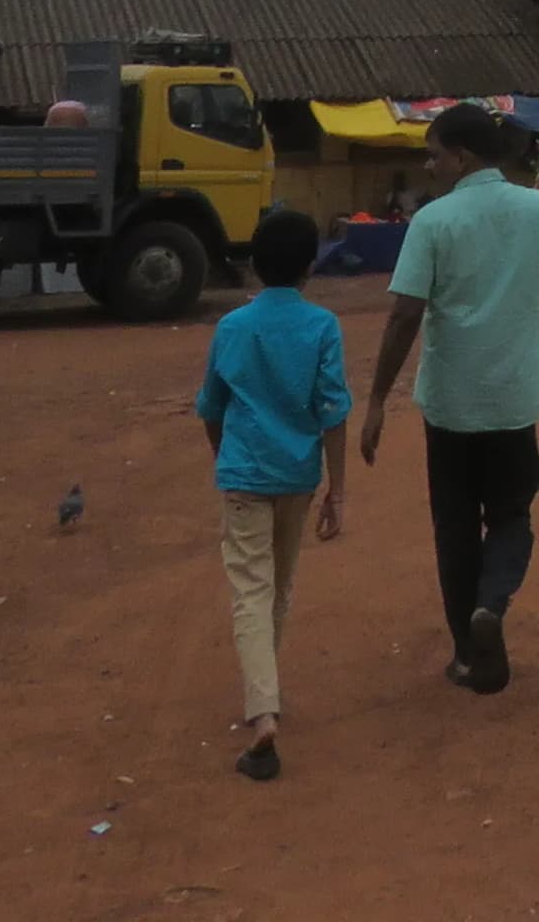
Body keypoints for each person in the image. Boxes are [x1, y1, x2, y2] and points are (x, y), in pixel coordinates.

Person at [362, 102, 539, 695]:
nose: (430, 166)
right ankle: (492, 604)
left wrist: (379, 398)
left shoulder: (434, 222)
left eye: (434, 154)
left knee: (455, 527)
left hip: (452, 405)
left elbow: (405, 313)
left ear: (461, 156)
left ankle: (470, 655)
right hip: (515, 398)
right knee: (511, 513)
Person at [191, 206, 349, 780]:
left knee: (251, 590)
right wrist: (339, 490)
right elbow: (333, 412)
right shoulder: (322, 327)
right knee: (279, 586)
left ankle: (263, 709)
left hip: (245, 473)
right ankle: (267, 694)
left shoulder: (232, 327)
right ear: (310, 266)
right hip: (298, 476)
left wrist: (225, 457)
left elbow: (212, 407)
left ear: (254, 265)